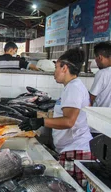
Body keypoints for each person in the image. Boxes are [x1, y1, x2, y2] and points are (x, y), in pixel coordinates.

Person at [18, 48, 94, 188]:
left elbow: (69, 121)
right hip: (71, 150)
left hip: (76, 152)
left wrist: (41, 122)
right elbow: (60, 116)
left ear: (64, 67)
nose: (54, 72)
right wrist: (36, 115)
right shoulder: (70, 87)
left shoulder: (74, 88)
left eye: (56, 67)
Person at [89, 42, 111, 136]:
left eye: (96, 58)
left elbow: (90, 99)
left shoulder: (102, 73)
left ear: (100, 57)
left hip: (99, 126)